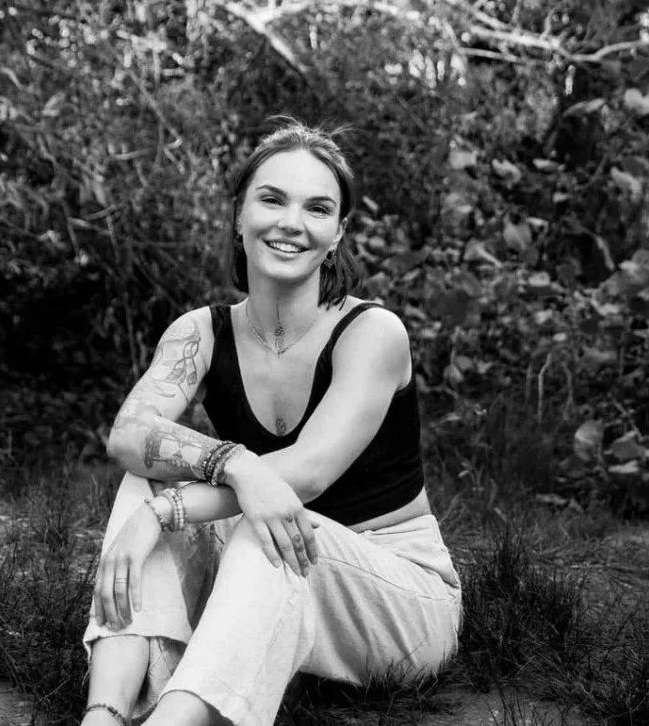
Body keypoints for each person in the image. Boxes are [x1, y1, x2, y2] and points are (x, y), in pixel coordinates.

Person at [80, 121, 462, 726]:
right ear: (239, 216)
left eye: (317, 207)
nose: (292, 222)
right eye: (272, 198)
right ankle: (103, 714)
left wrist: (167, 512)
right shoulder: (201, 332)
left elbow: (303, 477)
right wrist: (228, 462)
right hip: (267, 567)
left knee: (269, 521)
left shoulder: (372, 334)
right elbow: (129, 434)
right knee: (145, 482)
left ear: (337, 234)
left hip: (397, 595)